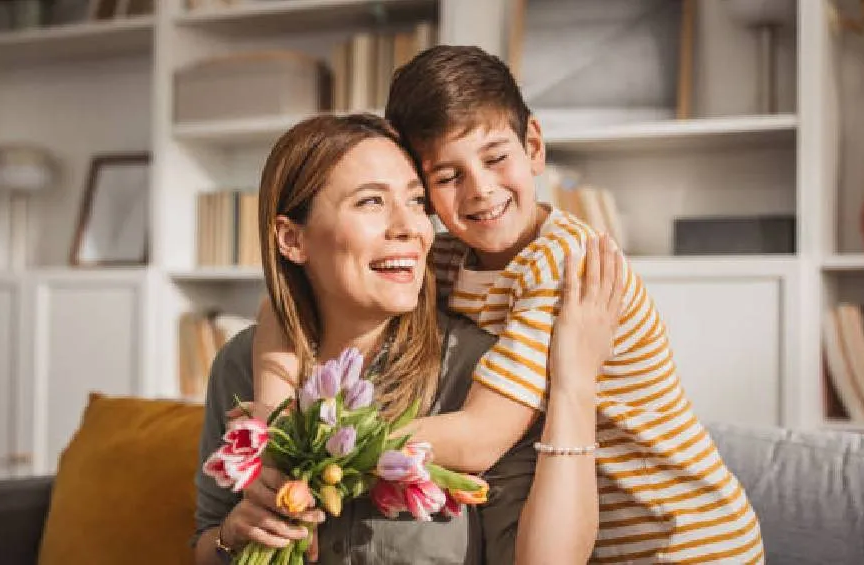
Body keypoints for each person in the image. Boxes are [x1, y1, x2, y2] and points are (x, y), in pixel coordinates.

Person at [255, 46, 764, 562]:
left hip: (689, 540)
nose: (480, 190)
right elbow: (289, 299)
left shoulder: (562, 263)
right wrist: (270, 423)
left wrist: (319, 446)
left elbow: (481, 438)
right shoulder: (450, 255)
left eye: (496, 158)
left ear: (534, 146)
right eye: (447, 177)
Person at [194, 113, 623, 564]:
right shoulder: (242, 364)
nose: (411, 228)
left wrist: (575, 383)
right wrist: (232, 535)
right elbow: (206, 542)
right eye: (371, 202)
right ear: (292, 238)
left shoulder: (477, 373)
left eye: (418, 202)